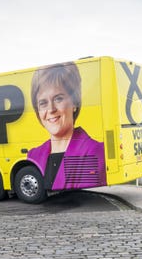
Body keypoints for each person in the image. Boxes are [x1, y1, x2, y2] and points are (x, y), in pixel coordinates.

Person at [27, 62, 106, 191]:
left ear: (74, 102)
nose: (51, 109)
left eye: (58, 99)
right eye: (43, 103)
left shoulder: (94, 151)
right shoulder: (33, 155)